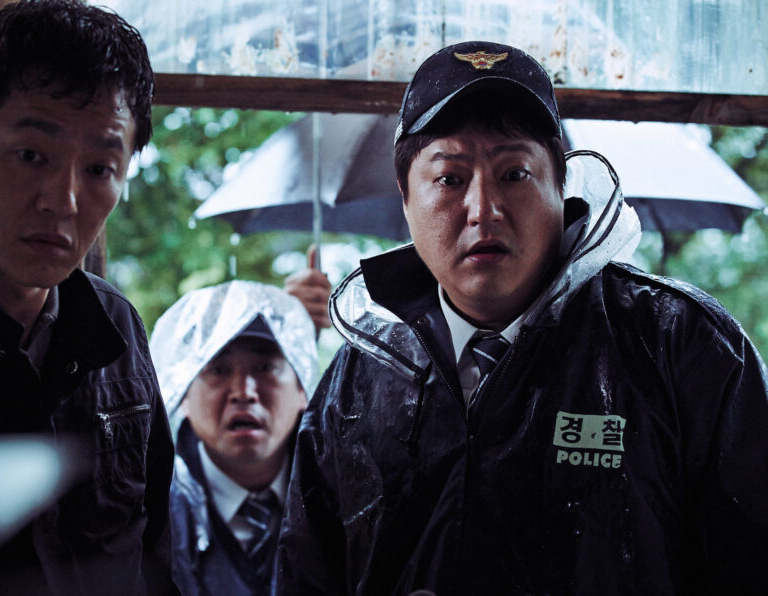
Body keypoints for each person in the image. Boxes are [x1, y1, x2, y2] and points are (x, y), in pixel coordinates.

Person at [276, 40, 768, 595]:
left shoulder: (683, 347)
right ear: (405, 198)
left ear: (561, 185)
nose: (483, 210)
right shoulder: (357, 381)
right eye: (449, 179)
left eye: (514, 174)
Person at [0, 1, 177, 594]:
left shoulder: (114, 325)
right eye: (32, 156)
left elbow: (151, 547)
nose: (64, 201)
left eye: (100, 169)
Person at [149, 280, 319, 596]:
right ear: (182, 395)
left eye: (266, 367)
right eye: (218, 370)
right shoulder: (149, 511)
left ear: (303, 389)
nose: (244, 392)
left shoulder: (337, 500)